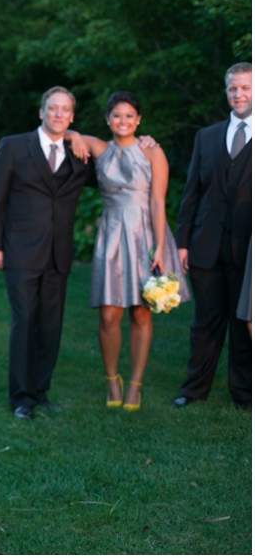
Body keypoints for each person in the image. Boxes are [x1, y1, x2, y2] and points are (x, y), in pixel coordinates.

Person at [66, 92, 190, 411]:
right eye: (117, 115)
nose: (123, 120)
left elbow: (158, 202)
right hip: (110, 233)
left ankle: (135, 383)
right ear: (108, 119)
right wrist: (76, 134)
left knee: (140, 311)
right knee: (109, 315)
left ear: (138, 120)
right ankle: (112, 380)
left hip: (144, 234)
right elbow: (58, 130)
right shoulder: (99, 148)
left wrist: (160, 247)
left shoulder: (152, 151)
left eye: (130, 115)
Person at [0, 87, 98, 419]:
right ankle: (21, 398)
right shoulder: (14, 146)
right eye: (53, 108)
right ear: (41, 111)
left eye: (65, 110)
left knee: (50, 326)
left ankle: (40, 390)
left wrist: (79, 136)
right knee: (25, 321)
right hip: (19, 250)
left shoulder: (78, 153)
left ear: (72, 116)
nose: (59, 114)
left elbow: (116, 161)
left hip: (58, 253)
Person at [174, 62, 252, 409]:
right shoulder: (205, 136)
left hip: (248, 251)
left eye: (246, 88)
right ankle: (193, 390)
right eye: (233, 88)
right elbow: (191, 192)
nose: (239, 94)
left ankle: (244, 393)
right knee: (204, 323)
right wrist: (181, 242)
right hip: (205, 245)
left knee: (243, 323)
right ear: (226, 92)